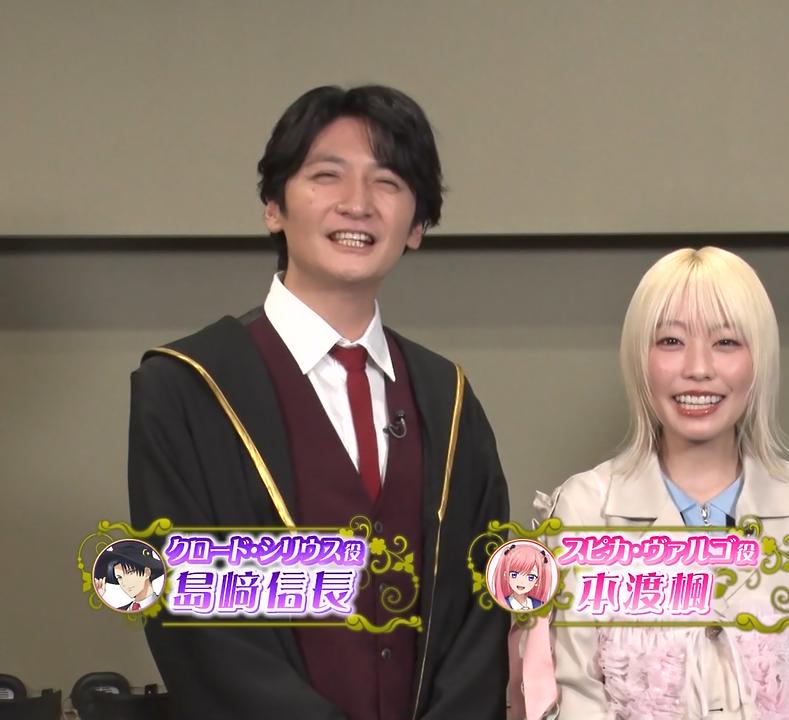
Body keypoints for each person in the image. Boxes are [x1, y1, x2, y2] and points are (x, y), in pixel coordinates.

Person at [128, 85, 509, 719]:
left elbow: (483, 602)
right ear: (273, 206)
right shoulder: (186, 388)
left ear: (417, 226)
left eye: (387, 182)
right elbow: (191, 616)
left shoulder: (448, 397)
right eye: (326, 175)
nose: (357, 203)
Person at [532, 247, 789, 719]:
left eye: (726, 342)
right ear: (639, 358)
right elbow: (575, 695)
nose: (698, 368)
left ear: (759, 359)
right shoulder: (584, 509)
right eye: (671, 341)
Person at [93, 540, 164, 613]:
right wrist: (98, 597)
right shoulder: (119, 611)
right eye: (119, 577)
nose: (124, 583)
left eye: (130, 573)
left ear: (147, 572)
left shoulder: (165, 608)